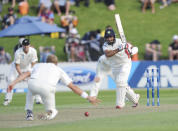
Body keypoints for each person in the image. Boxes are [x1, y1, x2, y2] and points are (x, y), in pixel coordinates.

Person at [7, 55, 100, 120]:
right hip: (48, 88)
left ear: (46, 61)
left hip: (33, 83)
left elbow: (26, 74)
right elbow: (73, 87)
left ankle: (29, 113)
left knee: (30, 91)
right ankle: (51, 113)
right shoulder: (58, 69)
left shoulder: (38, 65)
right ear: (56, 63)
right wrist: (88, 97)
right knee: (52, 110)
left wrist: (13, 83)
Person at [101, 28, 140, 109]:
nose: (109, 39)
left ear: (114, 36)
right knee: (122, 84)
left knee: (120, 81)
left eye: (110, 37)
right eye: (107, 37)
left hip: (125, 63)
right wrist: (118, 49)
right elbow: (108, 54)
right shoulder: (105, 45)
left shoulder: (121, 41)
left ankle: (120, 103)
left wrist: (131, 51)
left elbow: (135, 48)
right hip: (115, 67)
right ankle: (135, 98)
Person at [3, 39, 42, 106]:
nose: (26, 47)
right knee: (10, 80)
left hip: (27, 67)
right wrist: (22, 75)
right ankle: (7, 99)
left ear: (29, 45)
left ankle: (38, 99)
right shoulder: (18, 52)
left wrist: (30, 71)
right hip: (16, 68)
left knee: (34, 81)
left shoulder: (33, 51)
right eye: (24, 45)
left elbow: (34, 62)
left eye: (27, 45)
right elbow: (17, 65)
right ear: (22, 46)